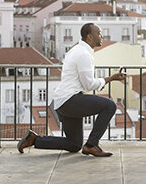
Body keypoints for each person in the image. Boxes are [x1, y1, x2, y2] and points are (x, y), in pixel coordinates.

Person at [17, 23, 126, 157]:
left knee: (74, 145)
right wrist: (111, 78)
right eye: (99, 33)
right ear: (90, 37)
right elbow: (89, 85)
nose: (101, 36)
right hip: (70, 100)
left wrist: (110, 78)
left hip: (63, 101)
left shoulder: (77, 50)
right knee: (109, 105)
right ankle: (91, 145)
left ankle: (34, 140)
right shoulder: (83, 54)